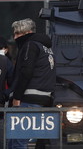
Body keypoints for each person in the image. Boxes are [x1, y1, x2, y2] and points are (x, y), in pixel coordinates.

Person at [9, 18, 55, 149]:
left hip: (27, 100)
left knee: (18, 143)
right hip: (41, 99)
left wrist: (17, 97)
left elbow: (26, 73)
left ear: (28, 32)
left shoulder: (30, 45)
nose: (15, 37)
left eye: (18, 33)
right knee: (18, 142)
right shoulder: (46, 48)